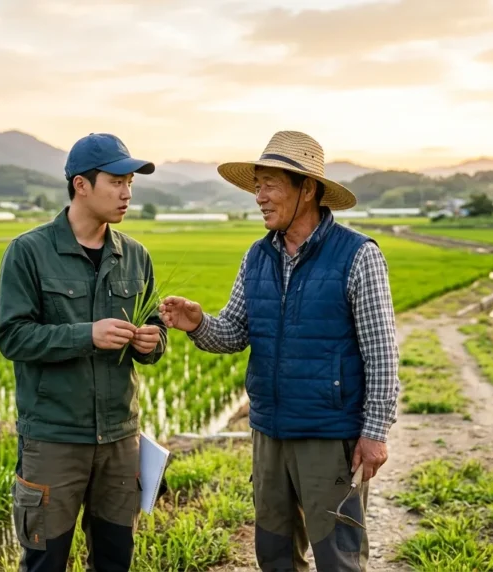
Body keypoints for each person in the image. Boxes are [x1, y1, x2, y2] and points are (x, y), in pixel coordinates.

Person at [158, 131, 400, 572]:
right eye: (256, 186)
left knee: (338, 558)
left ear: (307, 189)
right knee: (273, 555)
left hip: (330, 436)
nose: (260, 197)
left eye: (270, 184)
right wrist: (197, 322)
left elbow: (381, 351)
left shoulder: (358, 255)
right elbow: (233, 332)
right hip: (269, 433)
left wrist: (376, 431)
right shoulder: (257, 256)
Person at [0, 133, 168, 571]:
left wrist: (152, 342)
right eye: (116, 181)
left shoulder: (136, 256)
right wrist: (85, 335)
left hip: (119, 440)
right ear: (81, 185)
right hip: (53, 440)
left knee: (115, 560)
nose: (127, 193)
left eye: (130, 183)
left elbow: (155, 332)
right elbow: (12, 337)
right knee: (44, 562)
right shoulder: (29, 252)